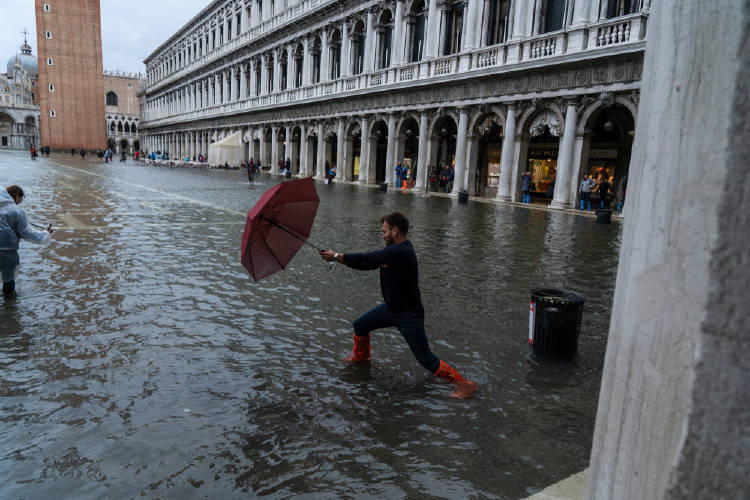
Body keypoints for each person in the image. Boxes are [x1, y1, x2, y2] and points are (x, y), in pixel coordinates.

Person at [319, 212, 478, 398]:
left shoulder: (401, 251)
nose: (382, 234)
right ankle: (361, 357)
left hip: (408, 314)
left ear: (395, 231)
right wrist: (338, 258)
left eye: (384, 231)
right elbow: (368, 264)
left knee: (425, 358)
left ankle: (464, 384)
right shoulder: (393, 251)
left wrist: (336, 256)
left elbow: (367, 259)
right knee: (360, 325)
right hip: (391, 308)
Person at [0, 186, 53, 297]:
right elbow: (26, 233)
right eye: (21, 197)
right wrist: (45, 234)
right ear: (17, 195)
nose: (21, 201)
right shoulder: (18, 211)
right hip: (6, 252)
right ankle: (10, 309)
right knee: (8, 282)